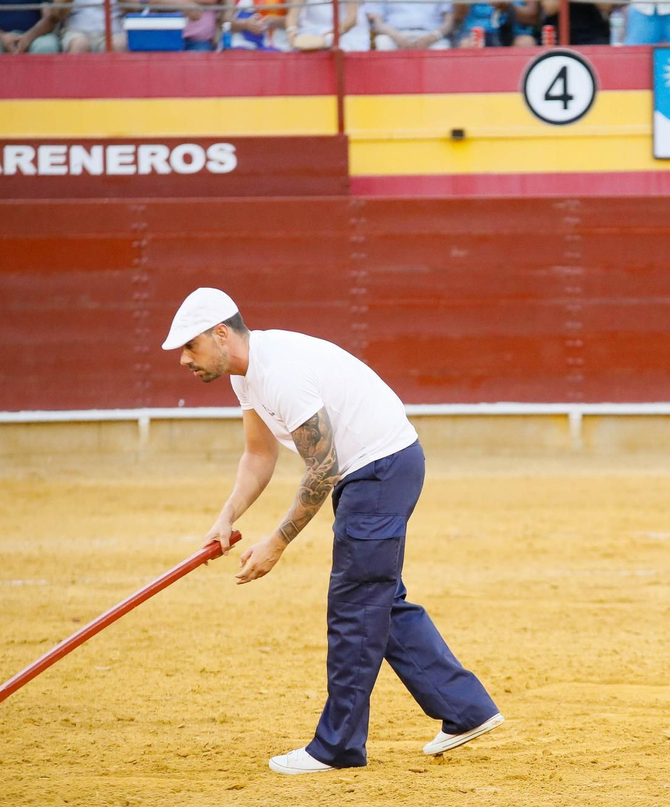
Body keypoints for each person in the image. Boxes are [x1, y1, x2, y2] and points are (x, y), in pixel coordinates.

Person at [163, 288, 504, 776]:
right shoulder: (247, 376)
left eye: (190, 345)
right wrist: (227, 516)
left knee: (354, 604)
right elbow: (260, 454)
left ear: (221, 333)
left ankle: (338, 745)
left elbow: (322, 467)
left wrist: (276, 543)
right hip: (372, 471)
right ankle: (466, 709)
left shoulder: (279, 374)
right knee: (376, 600)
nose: (183, 359)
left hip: (378, 470)